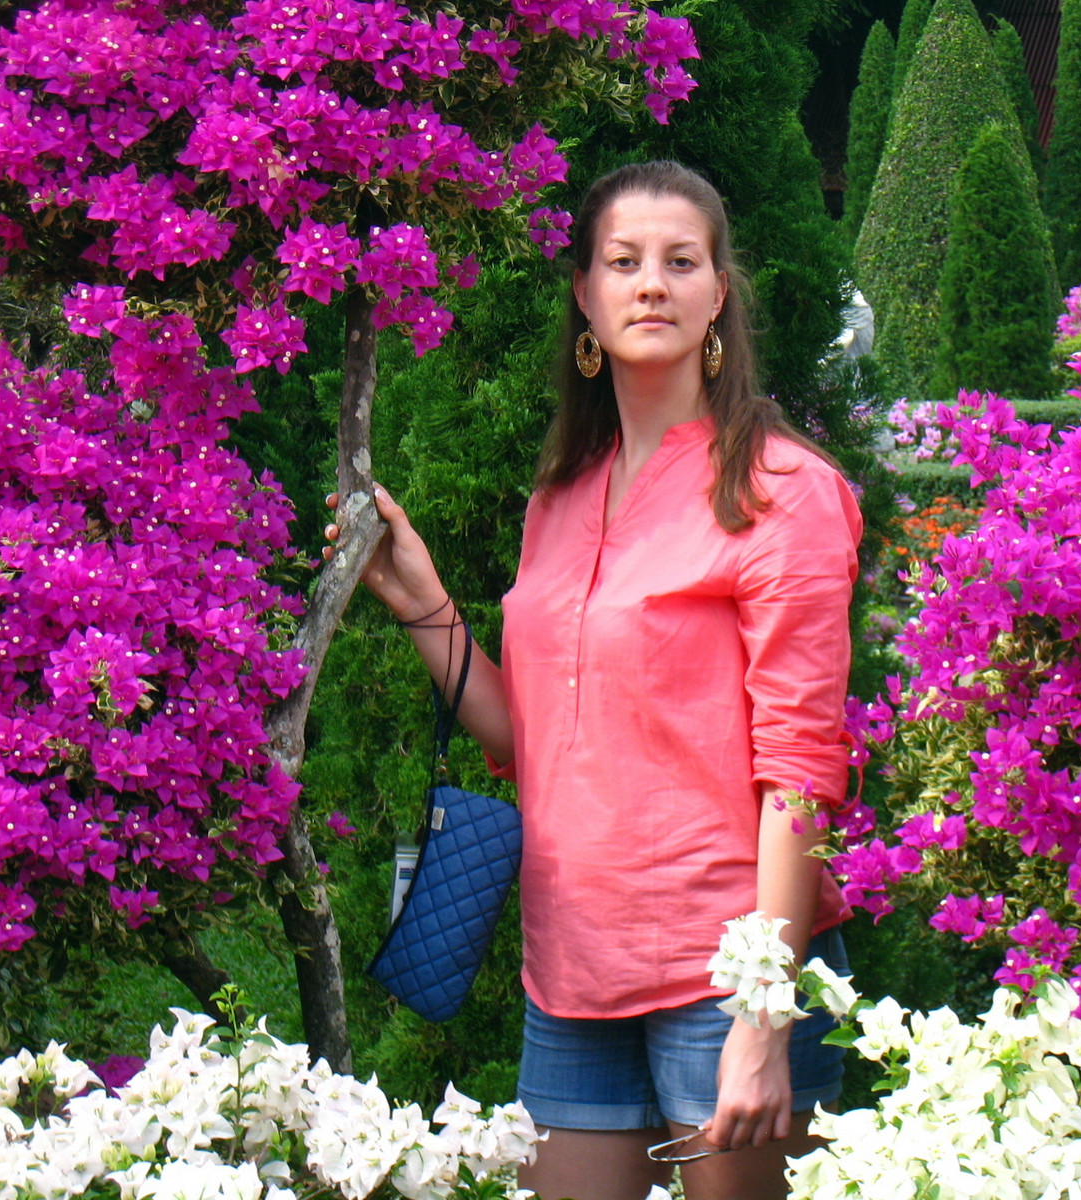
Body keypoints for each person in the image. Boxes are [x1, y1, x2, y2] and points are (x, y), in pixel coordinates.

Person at [336, 161, 861, 1200]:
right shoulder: (562, 495)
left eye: (681, 262)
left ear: (718, 294)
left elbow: (801, 771)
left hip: (730, 970)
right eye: (624, 262)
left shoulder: (784, 491)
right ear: (585, 294)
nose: (651, 283)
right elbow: (532, 742)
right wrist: (422, 602)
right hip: (572, 971)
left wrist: (764, 1015)